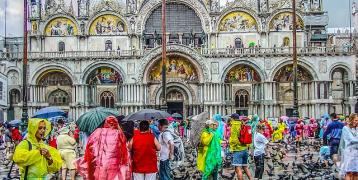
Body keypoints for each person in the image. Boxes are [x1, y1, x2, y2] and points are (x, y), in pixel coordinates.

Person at [76, 116, 131, 180]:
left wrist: (89, 160)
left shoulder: (97, 132)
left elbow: (90, 147)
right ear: (116, 124)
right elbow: (124, 150)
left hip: (98, 163)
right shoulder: (119, 133)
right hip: (114, 164)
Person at [229, 113, 253, 180]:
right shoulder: (243, 123)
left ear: (232, 118)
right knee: (245, 167)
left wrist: (231, 146)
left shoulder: (234, 125)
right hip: (245, 149)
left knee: (238, 168)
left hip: (238, 149)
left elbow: (234, 139)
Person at [339, 113, 358, 180]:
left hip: (357, 153)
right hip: (349, 153)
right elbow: (351, 139)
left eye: (357, 120)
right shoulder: (345, 128)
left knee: (356, 172)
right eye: (355, 120)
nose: (356, 122)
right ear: (351, 120)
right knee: (349, 172)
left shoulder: (357, 128)